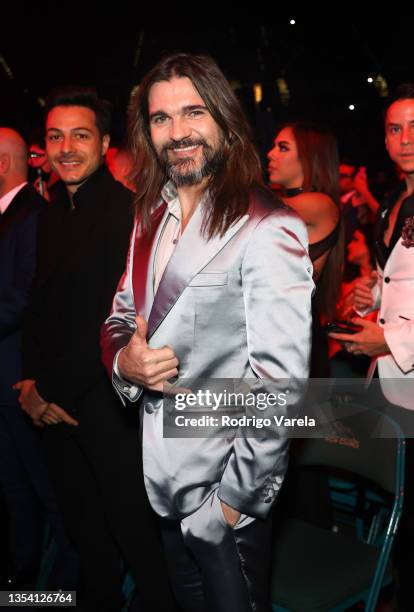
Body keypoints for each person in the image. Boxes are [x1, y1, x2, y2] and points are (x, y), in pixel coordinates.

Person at [101, 52, 313, 612]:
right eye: (161, 119)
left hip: (223, 497)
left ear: (223, 118)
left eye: (193, 113)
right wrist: (126, 362)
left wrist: (231, 505)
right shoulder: (150, 215)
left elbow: (283, 389)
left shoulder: (270, 226)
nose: (178, 133)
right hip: (161, 480)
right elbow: (122, 314)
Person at [15, 88, 174, 611]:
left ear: (104, 142)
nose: (65, 147)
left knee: (135, 536)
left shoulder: (126, 214)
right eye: (55, 136)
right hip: (53, 402)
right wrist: (28, 383)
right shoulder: (53, 209)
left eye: (79, 135)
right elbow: (39, 305)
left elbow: (110, 324)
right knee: (85, 536)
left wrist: (46, 390)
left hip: (106, 405)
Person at [330, 83, 414, 610]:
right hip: (391, 383)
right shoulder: (395, 199)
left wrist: (394, 338)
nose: (406, 139)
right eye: (395, 128)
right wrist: (374, 289)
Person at [0, 127, 77, 589]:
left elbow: (26, 298)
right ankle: (21, 581)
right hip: (6, 377)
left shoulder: (34, 215)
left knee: (50, 494)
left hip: (22, 378)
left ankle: (59, 592)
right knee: (14, 490)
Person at [267, 121, 343, 376]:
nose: (271, 153)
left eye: (283, 148)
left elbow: (250, 203)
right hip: (278, 333)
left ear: (309, 158)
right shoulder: (282, 203)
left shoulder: (320, 203)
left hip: (295, 340)